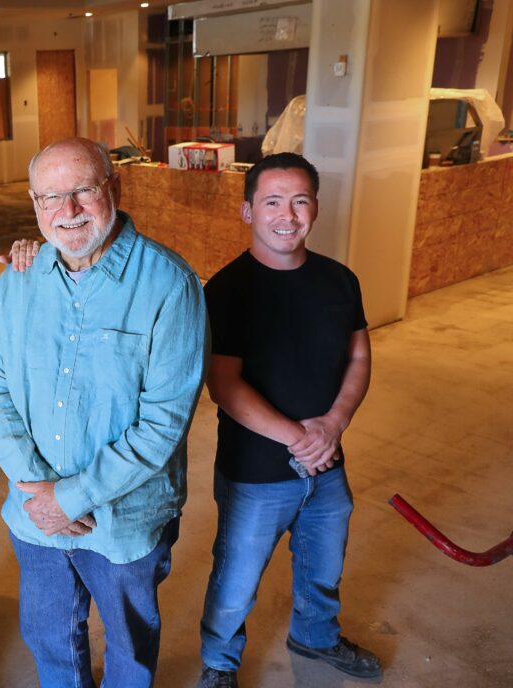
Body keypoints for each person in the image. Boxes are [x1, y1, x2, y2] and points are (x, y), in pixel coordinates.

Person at [0, 137, 209, 687]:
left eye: (83, 190)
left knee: (129, 645)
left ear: (115, 188)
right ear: (35, 205)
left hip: (123, 524)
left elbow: (163, 425)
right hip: (34, 518)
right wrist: (39, 490)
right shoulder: (18, 280)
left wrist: (71, 498)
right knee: (50, 638)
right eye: (50, 197)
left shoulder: (169, 285)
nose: (69, 211)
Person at [197, 152, 382, 688]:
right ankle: (219, 664)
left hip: (328, 465)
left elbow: (360, 357)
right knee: (236, 581)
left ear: (315, 208)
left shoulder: (339, 280)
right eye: (272, 201)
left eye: (300, 201)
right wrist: (301, 437)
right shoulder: (228, 290)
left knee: (323, 569)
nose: (288, 214)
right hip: (255, 474)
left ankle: (315, 637)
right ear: (247, 211)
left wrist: (334, 424)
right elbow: (224, 385)